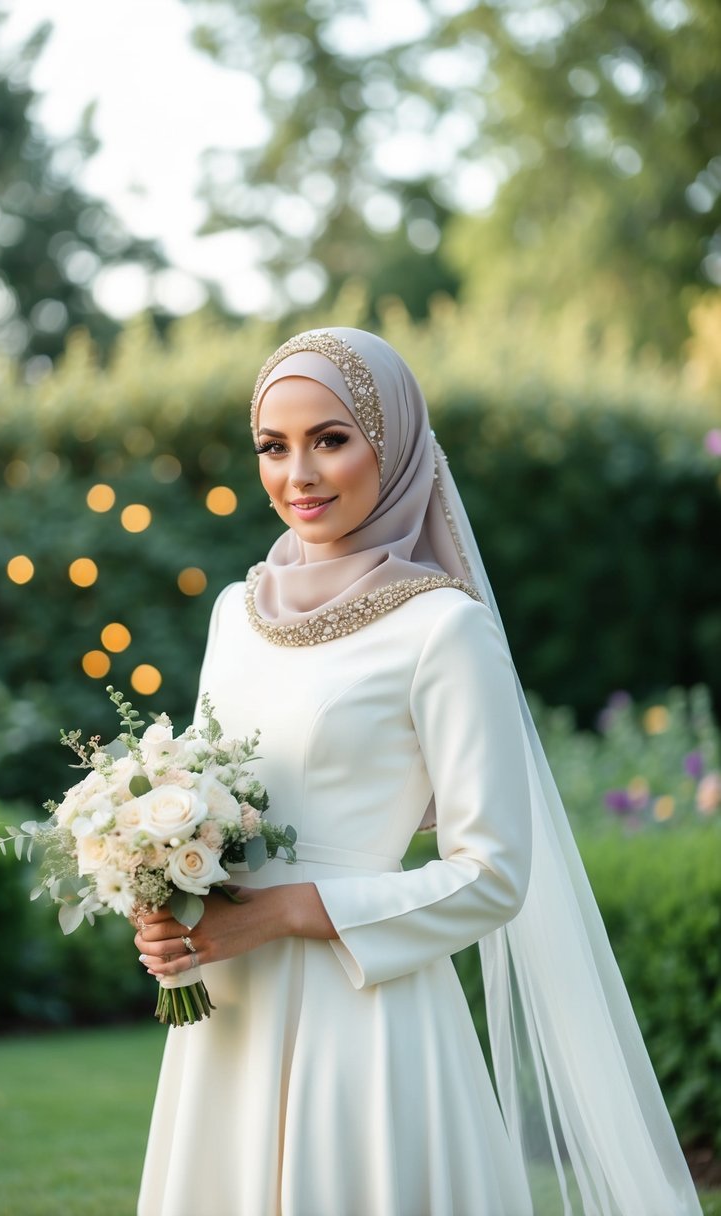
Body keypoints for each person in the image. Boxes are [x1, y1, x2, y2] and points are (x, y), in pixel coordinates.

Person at [134, 328, 701, 1216]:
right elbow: (210, 804)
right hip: (228, 1018)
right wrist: (166, 898)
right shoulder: (232, 614)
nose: (299, 475)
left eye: (330, 438)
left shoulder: (443, 627)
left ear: (391, 444)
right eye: (272, 448)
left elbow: (492, 876)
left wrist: (282, 913)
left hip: (364, 1019)